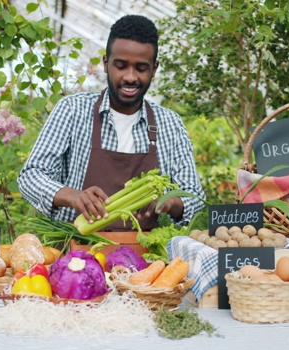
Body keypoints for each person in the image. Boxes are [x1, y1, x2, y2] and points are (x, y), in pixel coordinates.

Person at [17, 14, 206, 231]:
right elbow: (31, 176)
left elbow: (196, 198)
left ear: (154, 69)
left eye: (141, 68)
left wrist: (171, 202)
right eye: (121, 66)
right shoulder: (73, 110)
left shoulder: (169, 124)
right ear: (106, 64)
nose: (130, 77)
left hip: (149, 258)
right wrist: (73, 196)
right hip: (77, 251)